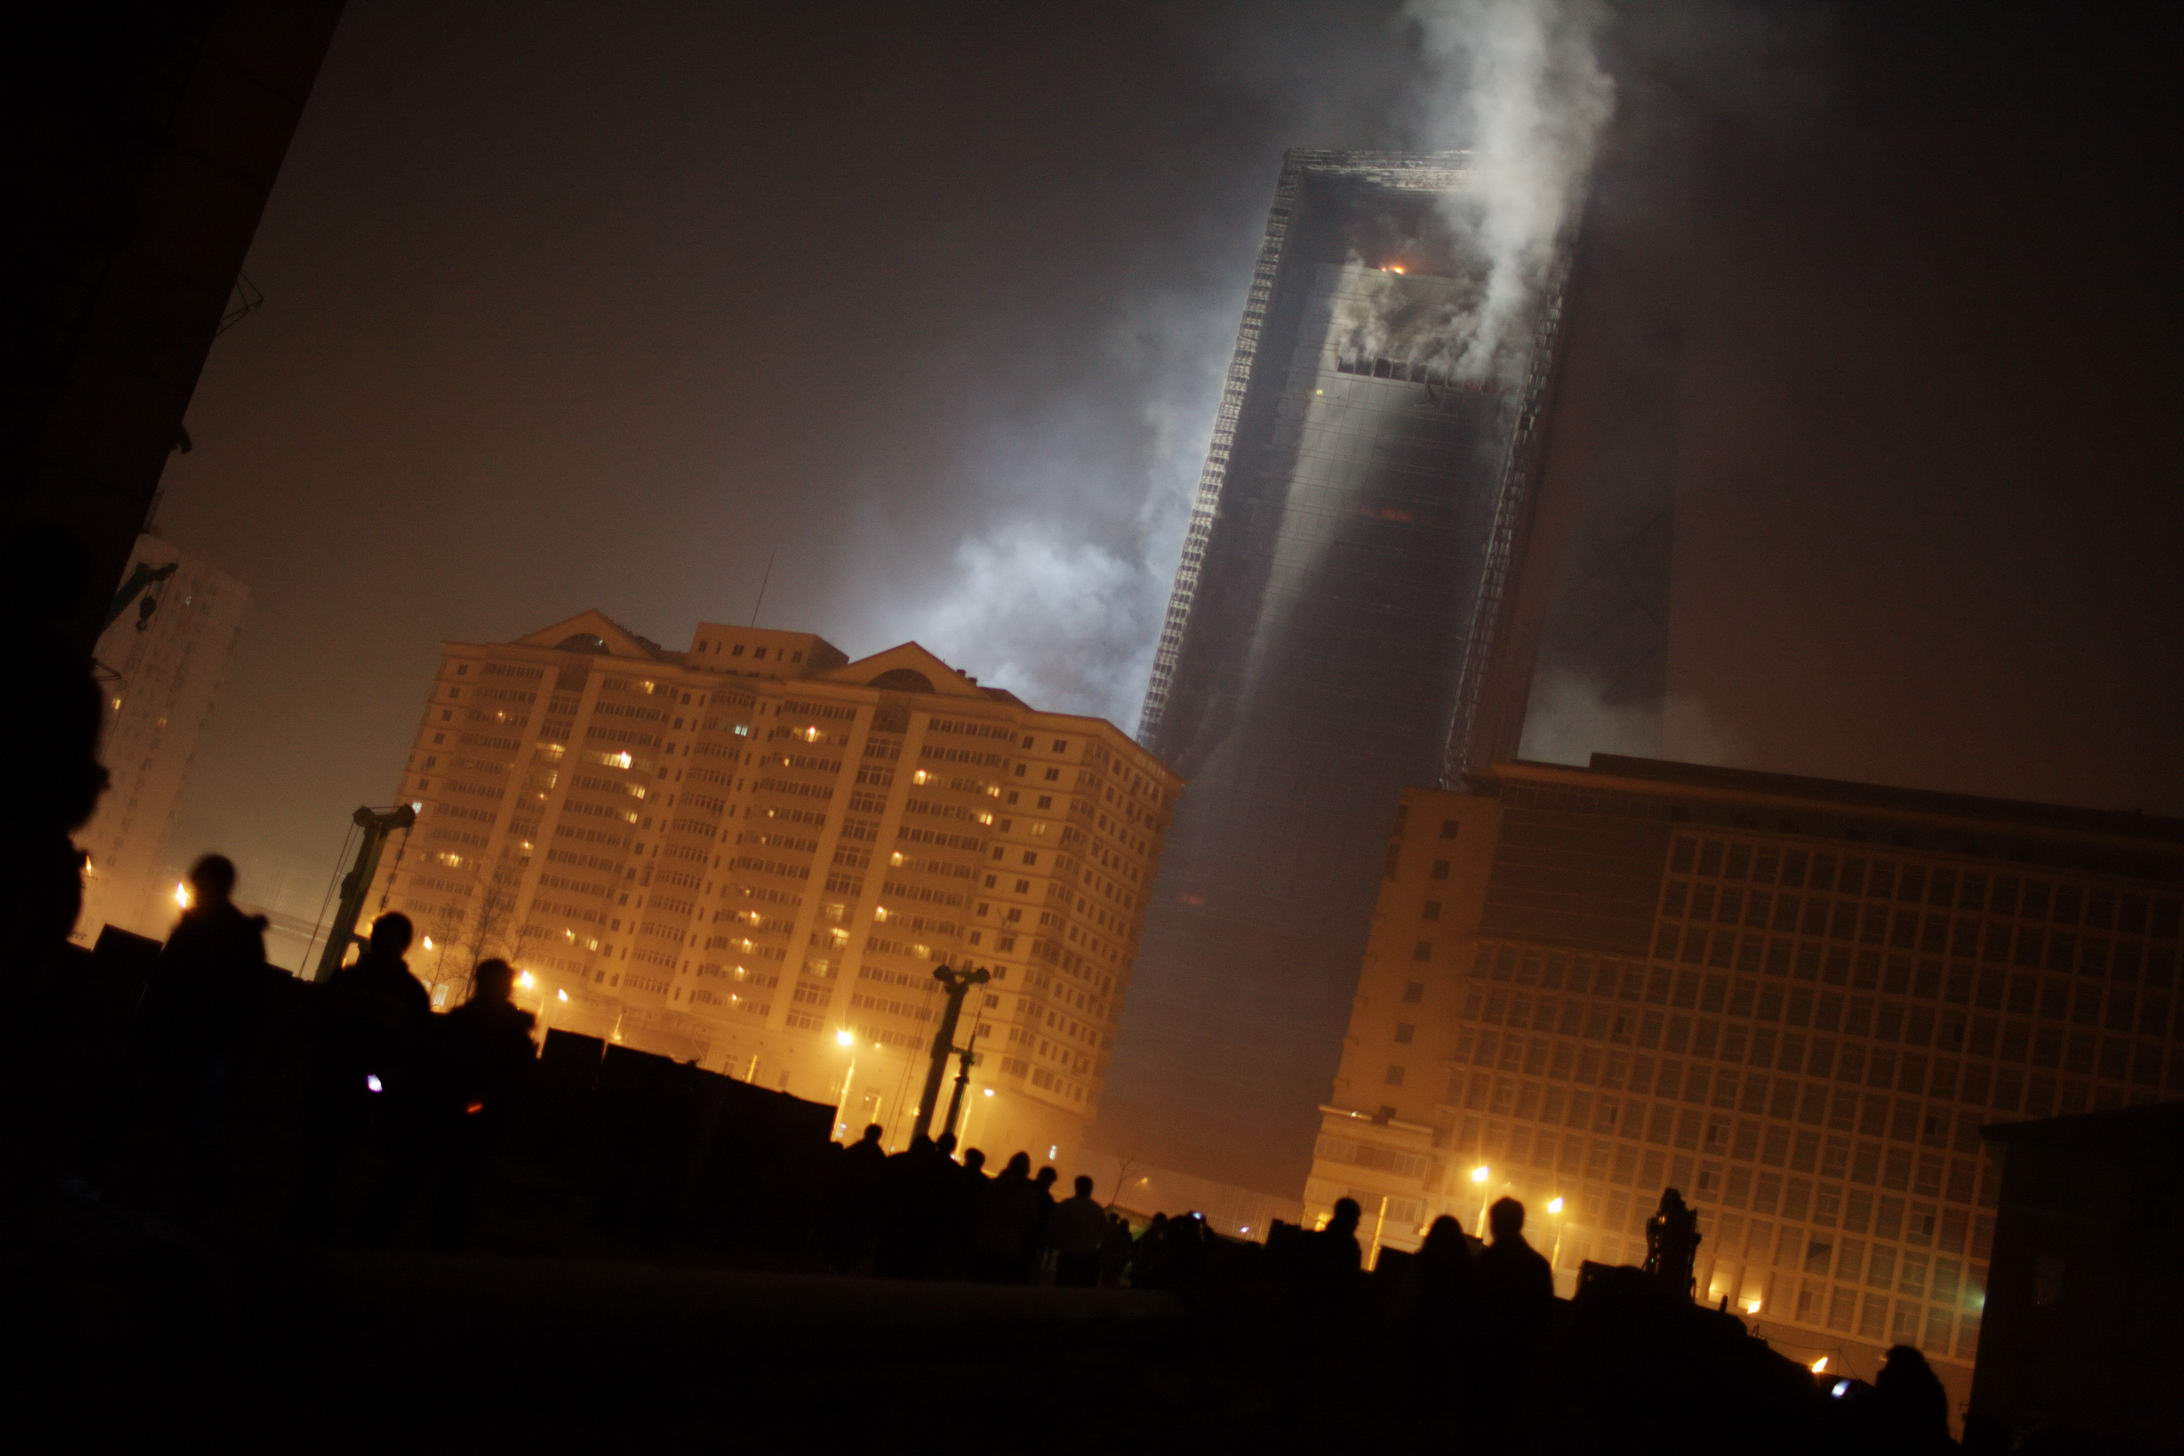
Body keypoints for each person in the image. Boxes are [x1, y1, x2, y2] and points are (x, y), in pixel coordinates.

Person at [1049, 1174, 1107, 1288]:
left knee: (1062, 1286)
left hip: (1068, 1254)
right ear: (1090, 1189)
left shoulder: (1066, 1205)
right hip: (1087, 1257)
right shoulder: (1097, 1210)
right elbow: (1103, 1233)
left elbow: (1055, 1227)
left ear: (1076, 1187)